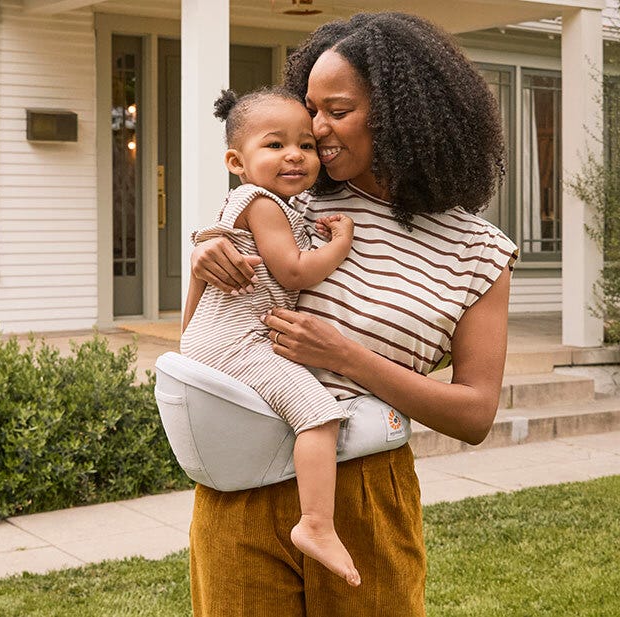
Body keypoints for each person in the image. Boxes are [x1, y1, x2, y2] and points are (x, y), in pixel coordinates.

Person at [187, 12, 519, 616]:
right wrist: (206, 258)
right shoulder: (290, 197)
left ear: (401, 115)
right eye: (310, 109)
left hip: (365, 493)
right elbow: (212, 319)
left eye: (335, 112)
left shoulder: (478, 253)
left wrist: (345, 358)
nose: (314, 130)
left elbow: (474, 413)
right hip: (239, 488)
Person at [180, 86, 362, 587]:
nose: (295, 156)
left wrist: (188, 339)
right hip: (238, 342)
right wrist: (341, 244)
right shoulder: (261, 203)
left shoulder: (280, 206)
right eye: (275, 145)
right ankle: (317, 524)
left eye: (305, 145)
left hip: (222, 338)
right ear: (237, 161)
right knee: (319, 414)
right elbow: (296, 272)